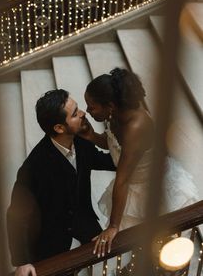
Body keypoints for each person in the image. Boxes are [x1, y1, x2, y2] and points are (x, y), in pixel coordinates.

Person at [80, 68, 199, 257]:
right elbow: (112, 143)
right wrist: (92, 136)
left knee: (166, 242)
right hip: (135, 184)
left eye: (92, 106)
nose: (87, 110)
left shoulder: (136, 127)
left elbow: (122, 180)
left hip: (152, 187)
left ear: (110, 105)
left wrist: (113, 226)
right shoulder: (116, 115)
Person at [7, 89, 116, 276]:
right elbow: (16, 216)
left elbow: (104, 161)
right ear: (59, 128)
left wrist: (131, 152)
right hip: (51, 240)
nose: (82, 113)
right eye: (75, 114)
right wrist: (22, 262)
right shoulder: (33, 168)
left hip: (85, 225)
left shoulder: (81, 142)